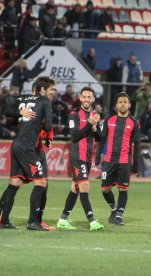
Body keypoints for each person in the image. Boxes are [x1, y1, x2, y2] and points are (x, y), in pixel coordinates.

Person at [0, 76, 54, 231]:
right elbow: (48, 126)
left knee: (15, 183)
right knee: (41, 182)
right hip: (27, 147)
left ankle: (3, 221)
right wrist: (44, 118)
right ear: (42, 89)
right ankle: (33, 222)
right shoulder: (45, 102)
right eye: (51, 89)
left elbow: (5, 109)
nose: (53, 92)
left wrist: (21, 111)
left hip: (16, 145)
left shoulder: (23, 98)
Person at [56, 87, 104, 231]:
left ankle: (62, 220)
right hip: (78, 156)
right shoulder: (74, 115)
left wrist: (95, 129)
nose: (87, 99)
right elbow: (75, 136)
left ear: (93, 99)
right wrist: (90, 124)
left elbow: (101, 138)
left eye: (90, 97)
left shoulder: (94, 115)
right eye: (85, 96)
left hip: (87, 157)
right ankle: (92, 221)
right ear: (80, 98)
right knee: (84, 186)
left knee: (75, 188)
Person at [95, 92, 141, 226]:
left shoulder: (134, 123)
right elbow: (102, 139)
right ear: (116, 105)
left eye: (125, 102)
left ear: (129, 105)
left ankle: (119, 216)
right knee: (105, 189)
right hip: (109, 160)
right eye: (120, 102)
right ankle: (114, 209)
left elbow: (137, 145)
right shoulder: (109, 120)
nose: (122, 104)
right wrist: (98, 156)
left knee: (123, 189)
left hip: (124, 161)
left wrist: (136, 164)